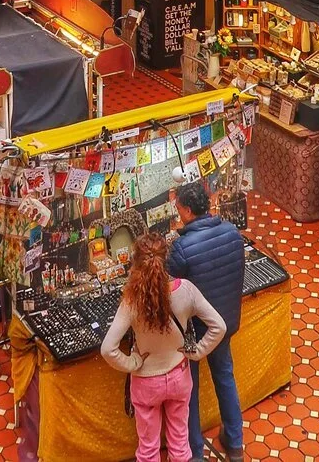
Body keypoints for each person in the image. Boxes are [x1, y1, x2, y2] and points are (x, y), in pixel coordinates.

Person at [101, 232, 225, 462]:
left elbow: (108, 348)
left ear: (136, 262)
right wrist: (197, 352)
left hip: (146, 381)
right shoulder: (186, 290)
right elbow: (219, 326)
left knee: (148, 450)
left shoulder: (132, 299)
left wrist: (133, 362)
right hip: (179, 375)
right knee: (179, 444)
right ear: (165, 258)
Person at [168, 182, 246, 462]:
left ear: (188, 210)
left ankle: (194, 451)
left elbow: (172, 290)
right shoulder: (232, 233)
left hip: (194, 331)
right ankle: (235, 443)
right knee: (225, 376)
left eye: (177, 208)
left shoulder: (182, 249)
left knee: (189, 389)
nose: (176, 213)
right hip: (224, 322)